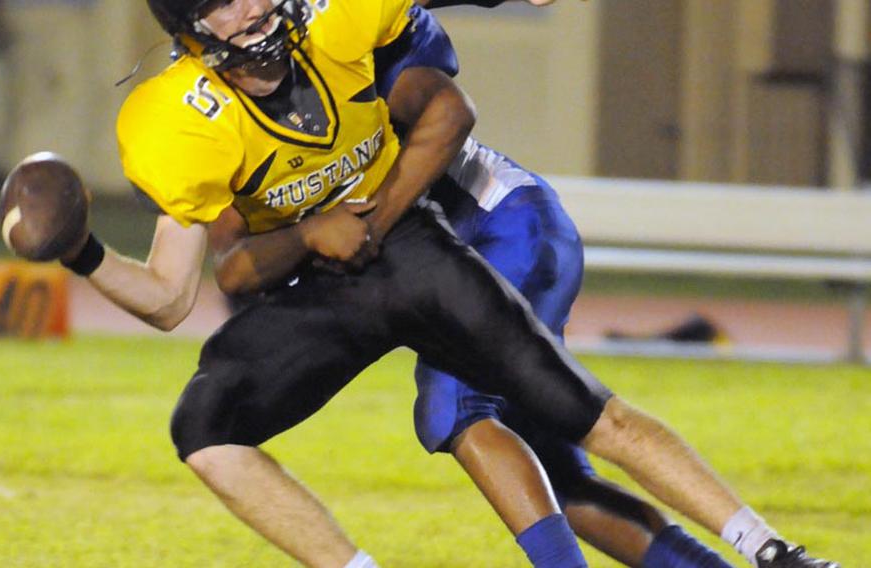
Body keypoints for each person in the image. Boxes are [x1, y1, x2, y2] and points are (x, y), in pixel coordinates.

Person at [47, 1, 836, 567]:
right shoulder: (182, 124)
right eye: (225, 4)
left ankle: (770, 551)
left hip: (463, 224)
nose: (255, 9)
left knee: (488, 409)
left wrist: (372, 221)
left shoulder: (348, 29)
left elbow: (449, 111)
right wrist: (82, 251)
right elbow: (197, 283)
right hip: (344, 272)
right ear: (190, 35)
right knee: (207, 424)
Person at [371, 3, 829, 567]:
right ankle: (770, 555)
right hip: (476, 249)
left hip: (501, 228)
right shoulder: (246, 99)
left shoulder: (330, 38)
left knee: (456, 406)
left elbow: (427, 84)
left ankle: (773, 551)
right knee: (557, 476)